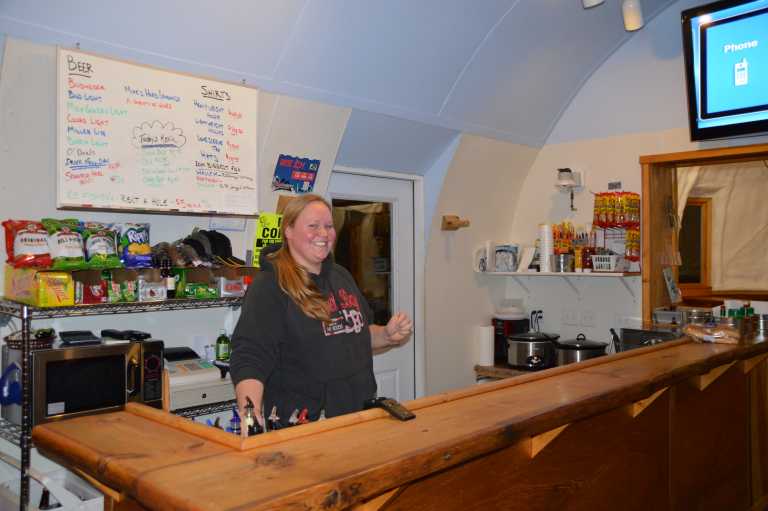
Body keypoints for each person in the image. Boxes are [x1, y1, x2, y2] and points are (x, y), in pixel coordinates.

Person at [230, 194, 412, 429]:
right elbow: (249, 357)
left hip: (359, 414)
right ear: (289, 230)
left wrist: (386, 335)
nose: (324, 233)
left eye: (328, 226)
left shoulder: (341, 276)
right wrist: (250, 421)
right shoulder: (270, 285)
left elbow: (359, 336)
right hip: (307, 423)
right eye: (313, 226)